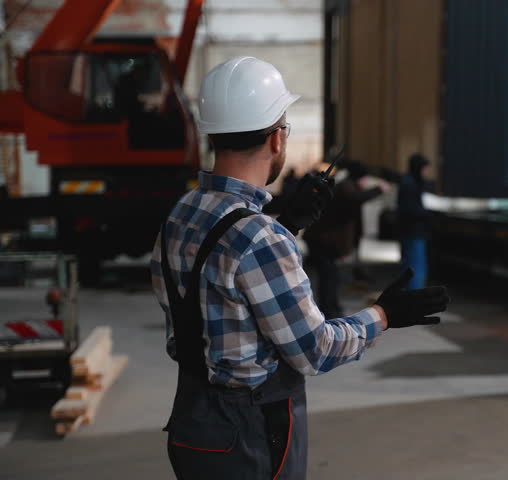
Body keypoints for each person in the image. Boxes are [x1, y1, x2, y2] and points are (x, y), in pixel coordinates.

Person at [150, 56, 450, 480]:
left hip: (192, 423)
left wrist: (288, 225)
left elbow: (218, 279)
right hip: (250, 436)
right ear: (276, 140)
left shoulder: (181, 213)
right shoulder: (259, 238)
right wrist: (383, 315)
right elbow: (316, 350)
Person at [304, 161, 385, 317]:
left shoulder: (348, 185)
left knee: (331, 277)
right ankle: (328, 311)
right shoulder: (346, 187)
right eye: (365, 178)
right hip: (322, 240)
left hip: (326, 240)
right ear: (359, 177)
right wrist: (378, 189)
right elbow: (356, 199)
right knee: (328, 277)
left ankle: (331, 309)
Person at [397, 153, 431, 289]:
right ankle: (413, 298)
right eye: (425, 168)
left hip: (411, 232)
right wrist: (429, 212)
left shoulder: (410, 182)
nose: (427, 172)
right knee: (415, 268)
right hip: (413, 233)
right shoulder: (410, 184)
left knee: (412, 267)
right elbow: (410, 209)